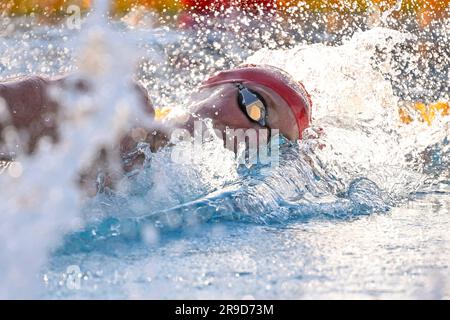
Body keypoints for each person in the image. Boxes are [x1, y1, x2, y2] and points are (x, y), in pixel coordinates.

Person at [0, 64, 312, 194]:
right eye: (255, 106)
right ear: (213, 83)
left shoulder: (183, 203)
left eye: (271, 140)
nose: (252, 132)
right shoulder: (122, 105)